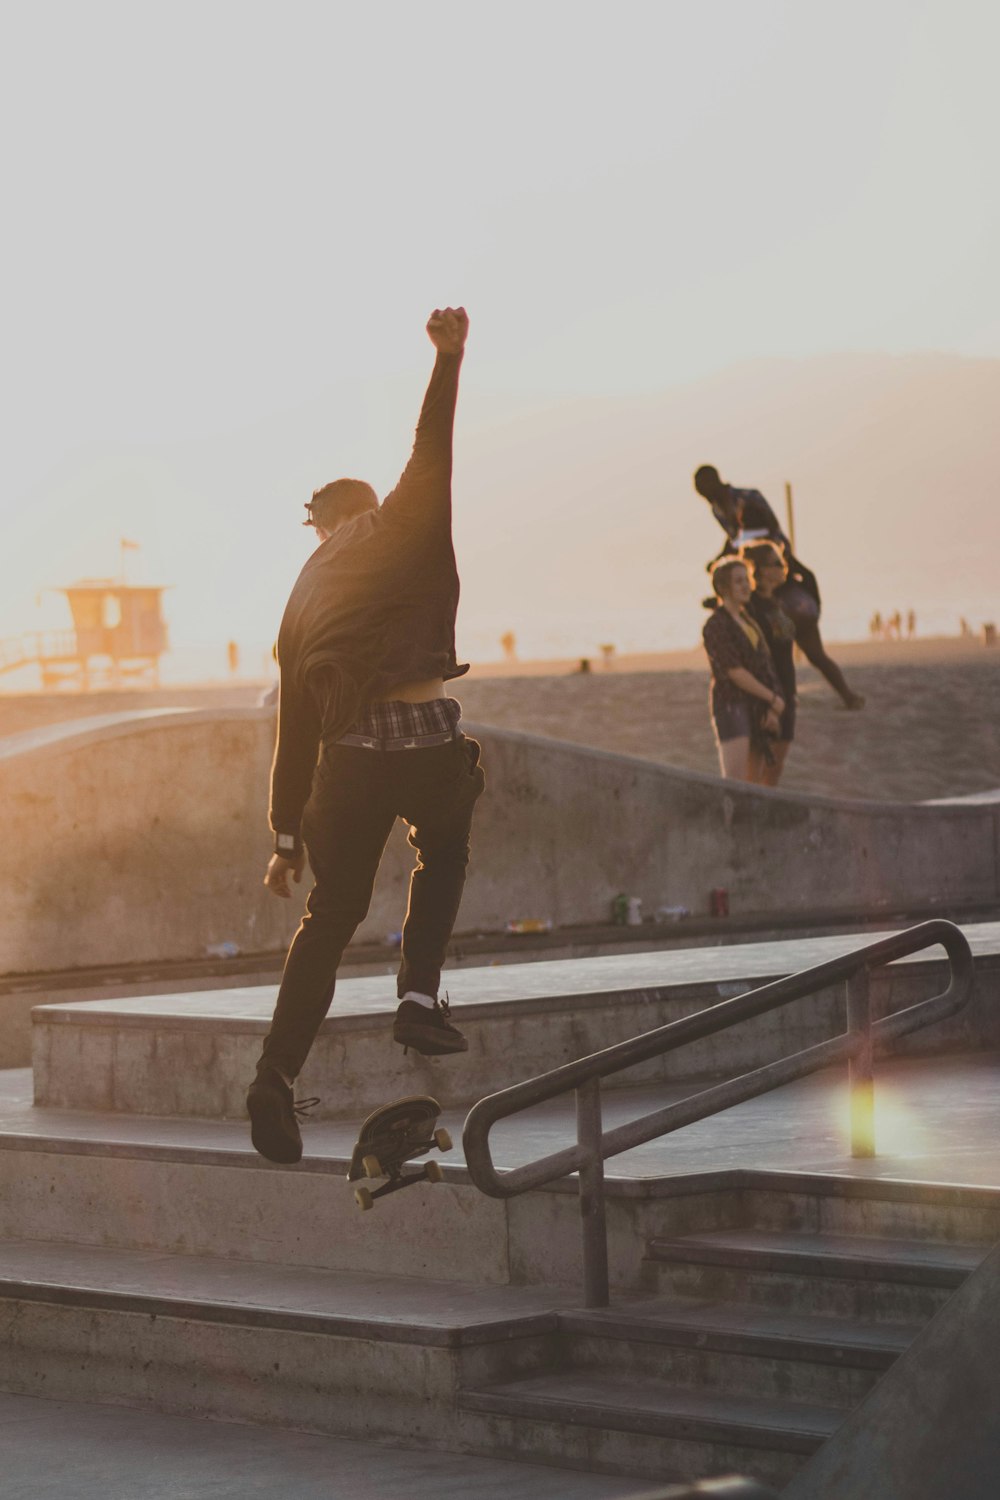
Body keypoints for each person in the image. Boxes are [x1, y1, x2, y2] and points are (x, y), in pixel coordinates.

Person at [247, 307, 485, 1165]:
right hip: (424, 747)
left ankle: (275, 1075)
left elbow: (295, 725)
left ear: (320, 526)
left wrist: (283, 837)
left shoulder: (302, 593)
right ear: (371, 506)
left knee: (328, 915)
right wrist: (448, 359)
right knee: (445, 850)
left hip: (344, 770)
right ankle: (418, 997)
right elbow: (434, 444)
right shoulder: (407, 519)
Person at [692, 466, 864, 710]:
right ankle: (817, 697)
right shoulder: (718, 510)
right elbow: (734, 539)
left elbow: (768, 530)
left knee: (794, 651)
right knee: (787, 652)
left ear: (714, 482)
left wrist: (771, 561)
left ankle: (842, 696)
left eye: (704, 489)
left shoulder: (749, 498)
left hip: (769, 561)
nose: (703, 496)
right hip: (757, 565)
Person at [702, 557, 785, 783]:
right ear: (723, 588)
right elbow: (734, 672)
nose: (746, 586)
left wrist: (773, 707)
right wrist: (772, 698)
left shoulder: (749, 622)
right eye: (738, 581)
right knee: (735, 783)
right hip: (732, 705)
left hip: (758, 706)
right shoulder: (716, 625)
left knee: (753, 786)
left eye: (747, 580)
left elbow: (766, 667)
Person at [741, 541, 797, 786]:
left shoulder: (778, 603)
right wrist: (768, 701)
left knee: (775, 768)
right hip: (764, 695)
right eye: (776, 563)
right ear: (760, 570)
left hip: (787, 693)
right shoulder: (750, 607)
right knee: (756, 768)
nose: (782, 567)